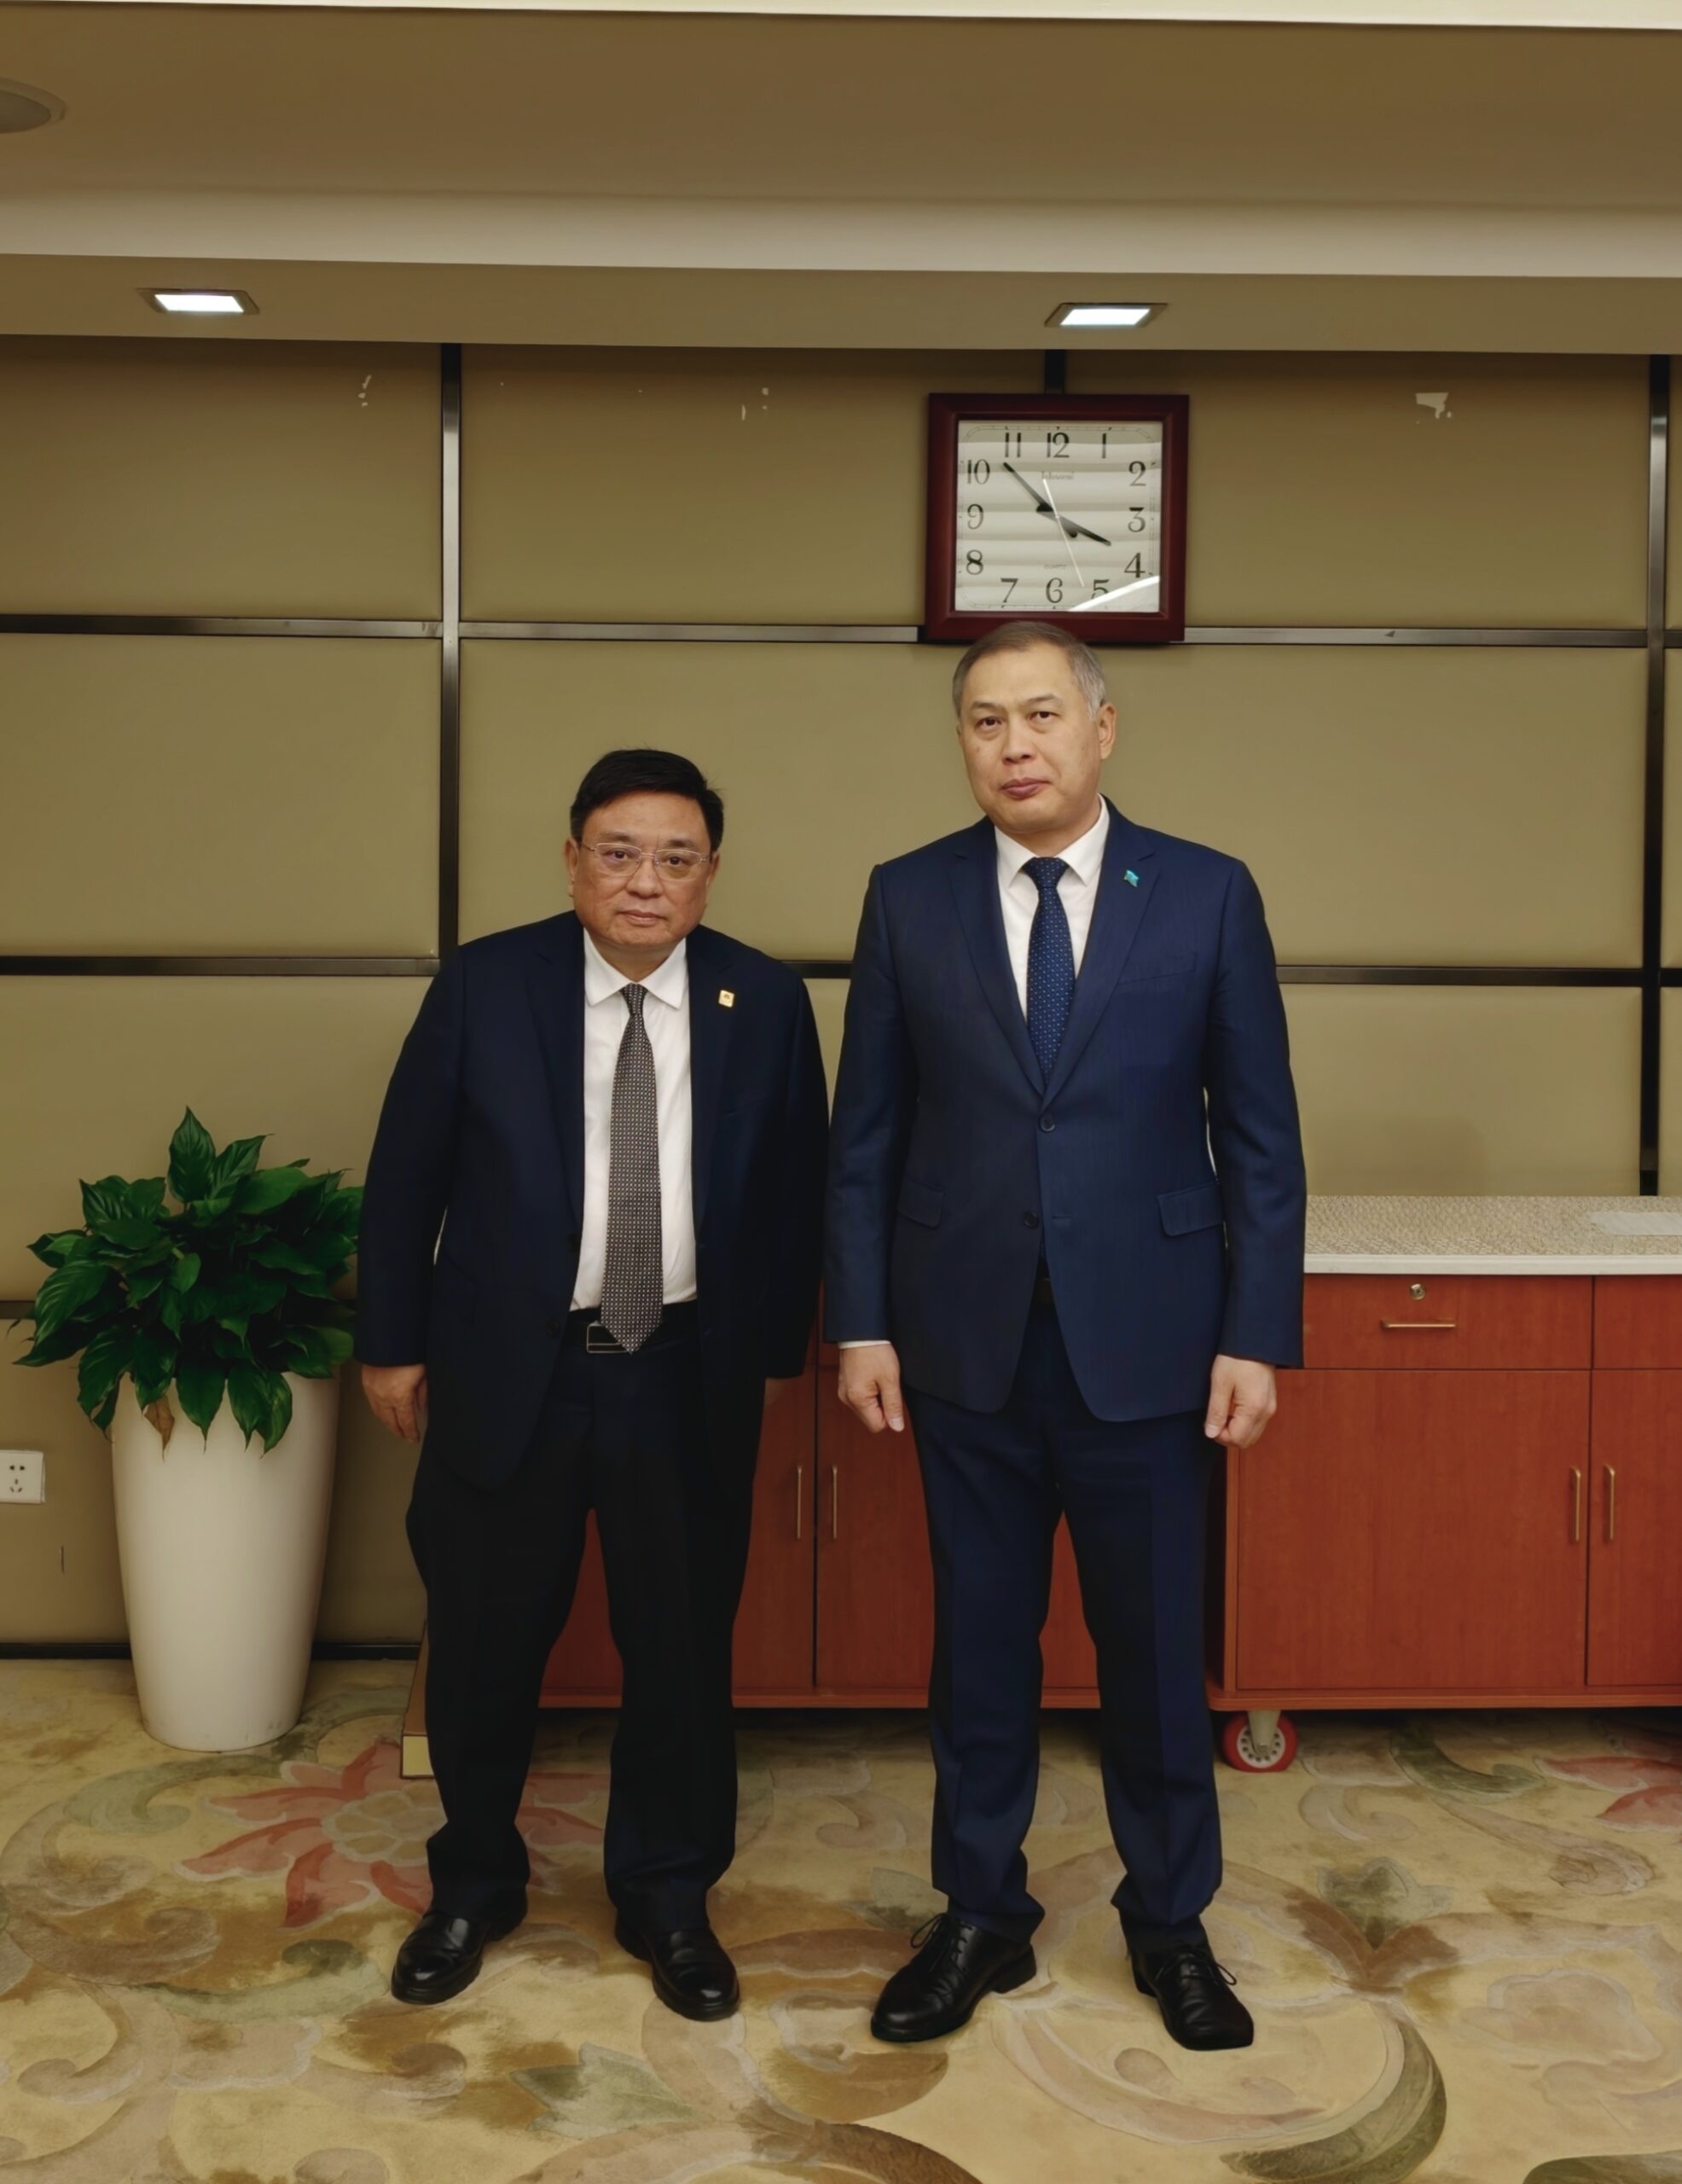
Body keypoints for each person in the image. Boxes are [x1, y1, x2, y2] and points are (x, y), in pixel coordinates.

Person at [825, 623, 1306, 2053]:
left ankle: (1171, 1924)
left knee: (1152, 1655)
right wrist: (862, 1322)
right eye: (985, 721)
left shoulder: (1206, 893)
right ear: (962, 743)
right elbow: (866, 1139)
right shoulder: (907, 896)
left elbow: (1261, 1139)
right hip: (961, 1343)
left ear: (1103, 729)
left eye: (1040, 714)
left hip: (1152, 1347)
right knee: (978, 1651)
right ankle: (980, 1913)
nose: (1014, 745)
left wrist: (1256, 1333)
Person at [356, 747, 827, 2021]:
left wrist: (772, 1354)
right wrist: (391, 1343)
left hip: (682, 1373)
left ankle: (668, 1894)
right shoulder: (486, 984)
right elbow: (406, 1175)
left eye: (677, 859)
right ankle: (475, 1883)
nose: (645, 882)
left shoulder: (764, 1000)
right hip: (513, 1371)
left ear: (710, 875)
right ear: (573, 860)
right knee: (483, 1644)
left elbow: (798, 1186)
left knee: (680, 1649)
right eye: (619, 853)